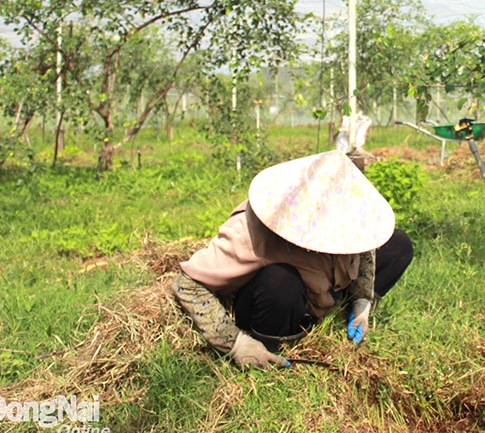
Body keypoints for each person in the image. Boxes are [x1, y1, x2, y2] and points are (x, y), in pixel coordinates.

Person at [172, 149, 413, 369]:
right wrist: (234, 342)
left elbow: (365, 246)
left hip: (329, 286)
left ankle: (344, 314)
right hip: (283, 301)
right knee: (279, 282)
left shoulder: (351, 219)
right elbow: (187, 285)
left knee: (399, 246)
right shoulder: (249, 232)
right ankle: (272, 347)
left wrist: (362, 300)